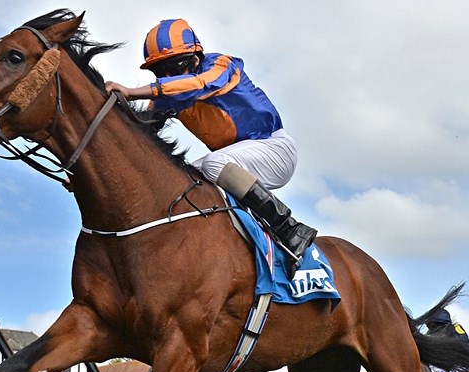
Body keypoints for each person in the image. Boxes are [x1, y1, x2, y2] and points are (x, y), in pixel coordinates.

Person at [105, 18, 316, 273]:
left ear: (196, 58)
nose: (168, 76)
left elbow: (198, 86)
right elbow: (140, 138)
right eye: (160, 71)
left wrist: (132, 91)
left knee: (214, 163)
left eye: (173, 66)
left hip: (274, 150)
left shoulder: (221, 66)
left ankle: (290, 228)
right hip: (236, 161)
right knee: (182, 180)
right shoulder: (168, 94)